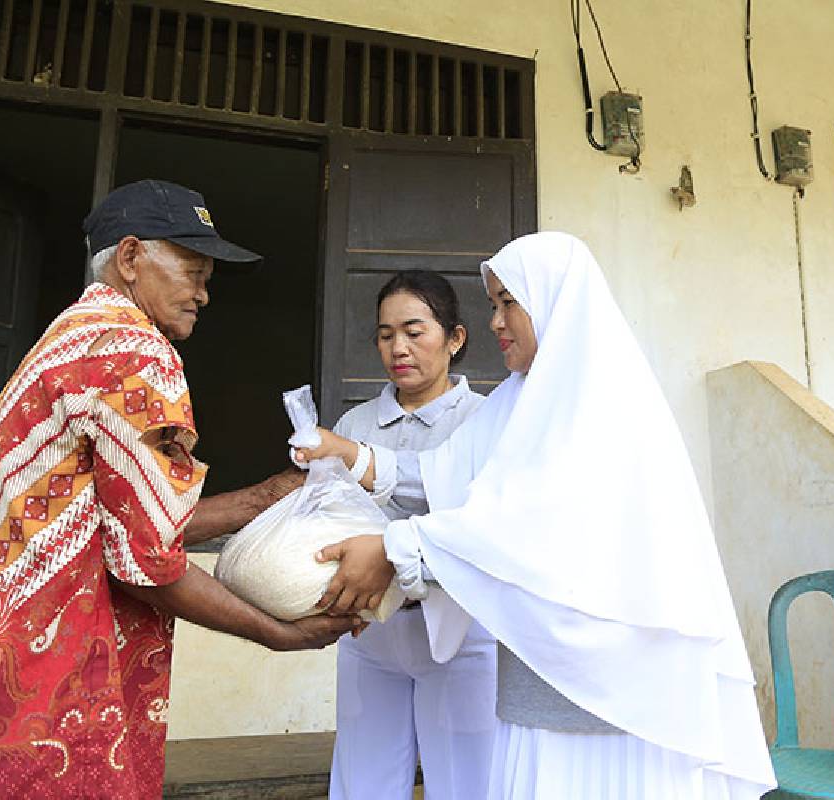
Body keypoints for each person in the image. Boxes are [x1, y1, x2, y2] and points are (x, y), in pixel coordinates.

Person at [0, 180, 359, 798]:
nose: (204, 293)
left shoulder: (69, 336)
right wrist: (276, 633)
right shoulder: (136, 352)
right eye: (193, 270)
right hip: (45, 693)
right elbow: (146, 565)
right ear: (129, 258)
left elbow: (117, 526)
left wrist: (267, 496)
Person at [298, 232, 777, 799]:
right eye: (494, 304)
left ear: (552, 302)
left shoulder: (600, 398)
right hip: (544, 660)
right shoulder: (519, 398)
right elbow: (446, 473)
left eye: (508, 303)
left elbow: (526, 524)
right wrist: (354, 454)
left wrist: (395, 549)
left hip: (611, 669)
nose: (497, 322)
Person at [327, 271, 495, 800]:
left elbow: (476, 518)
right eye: (384, 334)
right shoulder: (353, 426)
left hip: (460, 632)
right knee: (363, 782)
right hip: (371, 634)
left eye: (414, 331)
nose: (398, 347)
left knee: (468, 782)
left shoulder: (485, 420)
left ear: (455, 338)